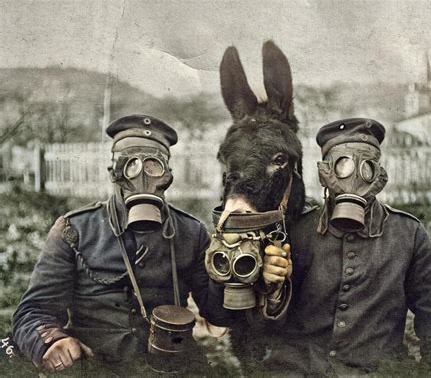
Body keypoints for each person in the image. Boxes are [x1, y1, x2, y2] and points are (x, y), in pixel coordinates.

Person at [11, 114, 287, 374]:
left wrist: (237, 277)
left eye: (153, 165)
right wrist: (52, 342)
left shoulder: (190, 232)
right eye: (129, 164)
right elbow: (33, 311)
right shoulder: (75, 230)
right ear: (113, 172)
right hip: (94, 365)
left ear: (167, 176)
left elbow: (218, 315)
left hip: (171, 366)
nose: (141, 175)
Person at [265, 118, 431, 376]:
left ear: (378, 174)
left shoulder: (407, 234)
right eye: (342, 165)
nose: (355, 177)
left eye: (366, 166)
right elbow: (266, 326)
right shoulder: (297, 231)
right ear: (325, 172)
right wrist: (273, 290)